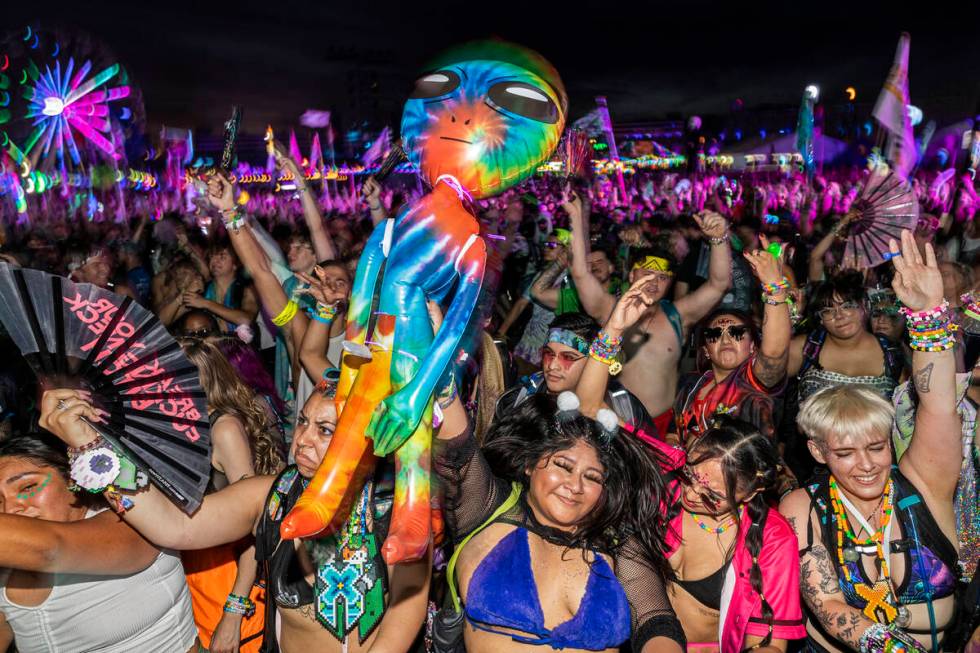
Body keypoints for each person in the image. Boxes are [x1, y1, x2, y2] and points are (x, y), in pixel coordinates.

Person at [36, 381, 431, 653]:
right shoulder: (271, 495)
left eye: (325, 429)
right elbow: (175, 526)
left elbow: (401, 622)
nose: (303, 439)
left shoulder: (399, 509)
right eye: (304, 422)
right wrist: (89, 444)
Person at [575, 282, 806, 651]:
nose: (692, 494)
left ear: (751, 492)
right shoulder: (673, 469)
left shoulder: (771, 540)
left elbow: (769, 645)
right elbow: (588, 409)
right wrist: (613, 330)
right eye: (692, 478)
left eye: (714, 496)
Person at [780, 230, 963, 652]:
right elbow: (826, 603)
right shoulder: (803, 506)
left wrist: (929, 313)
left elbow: (937, 407)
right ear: (817, 452)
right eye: (844, 452)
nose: (865, 465)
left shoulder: (923, 486)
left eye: (876, 447)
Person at [434, 384, 687, 652]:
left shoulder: (616, 541)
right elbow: (457, 446)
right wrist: (439, 369)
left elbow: (656, 622)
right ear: (530, 465)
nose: (575, 485)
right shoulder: (486, 509)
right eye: (563, 466)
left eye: (592, 477)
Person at [0, 433, 198, 652]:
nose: (10, 510)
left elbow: (49, 548)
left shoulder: (130, 520)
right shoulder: (7, 563)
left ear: (72, 478)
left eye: (27, 487)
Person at [561, 194, 733, 429]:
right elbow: (581, 273)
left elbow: (719, 284)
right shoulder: (610, 310)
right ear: (631, 275)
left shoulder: (677, 316)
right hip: (614, 423)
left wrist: (719, 239)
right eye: (646, 273)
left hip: (663, 426)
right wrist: (577, 218)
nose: (653, 282)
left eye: (662, 277)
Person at [180, 338, 285, 653]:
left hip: (229, 577)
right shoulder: (183, 424)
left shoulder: (223, 429)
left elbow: (256, 522)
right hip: (194, 573)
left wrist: (234, 610)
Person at [673, 236, 792, 446]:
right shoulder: (690, 386)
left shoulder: (755, 383)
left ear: (753, 345)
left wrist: (774, 286)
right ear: (706, 349)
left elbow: (774, 354)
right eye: (714, 334)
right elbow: (674, 433)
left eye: (736, 332)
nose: (725, 338)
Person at [495, 311, 656, 436]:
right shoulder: (521, 398)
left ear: (591, 363)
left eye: (568, 357)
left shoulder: (624, 406)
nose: (553, 365)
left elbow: (652, 464)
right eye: (549, 353)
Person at [790, 271, 906, 403]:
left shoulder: (893, 353)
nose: (839, 316)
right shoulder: (807, 348)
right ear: (821, 319)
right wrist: (789, 318)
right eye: (828, 311)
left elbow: (908, 410)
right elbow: (770, 373)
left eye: (847, 306)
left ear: (864, 306)